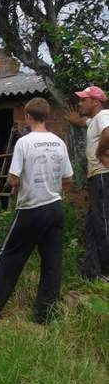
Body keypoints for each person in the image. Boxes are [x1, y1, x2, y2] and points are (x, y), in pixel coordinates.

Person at [0, 97, 73, 323]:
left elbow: (12, 180)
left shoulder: (24, 143)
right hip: (55, 208)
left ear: (28, 117)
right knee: (52, 263)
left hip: (31, 208)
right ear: (48, 116)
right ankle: (44, 315)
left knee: (9, 256)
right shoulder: (58, 142)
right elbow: (67, 178)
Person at [67, 86, 109, 280]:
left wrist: (99, 152)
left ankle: (107, 271)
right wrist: (74, 119)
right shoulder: (94, 120)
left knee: (103, 223)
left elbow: (108, 133)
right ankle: (93, 271)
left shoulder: (104, 115)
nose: (80, 103)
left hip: (102, 174)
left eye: (84, 100)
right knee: (92, 225)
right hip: (96, 177)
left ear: (96, 102)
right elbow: (84, 122)